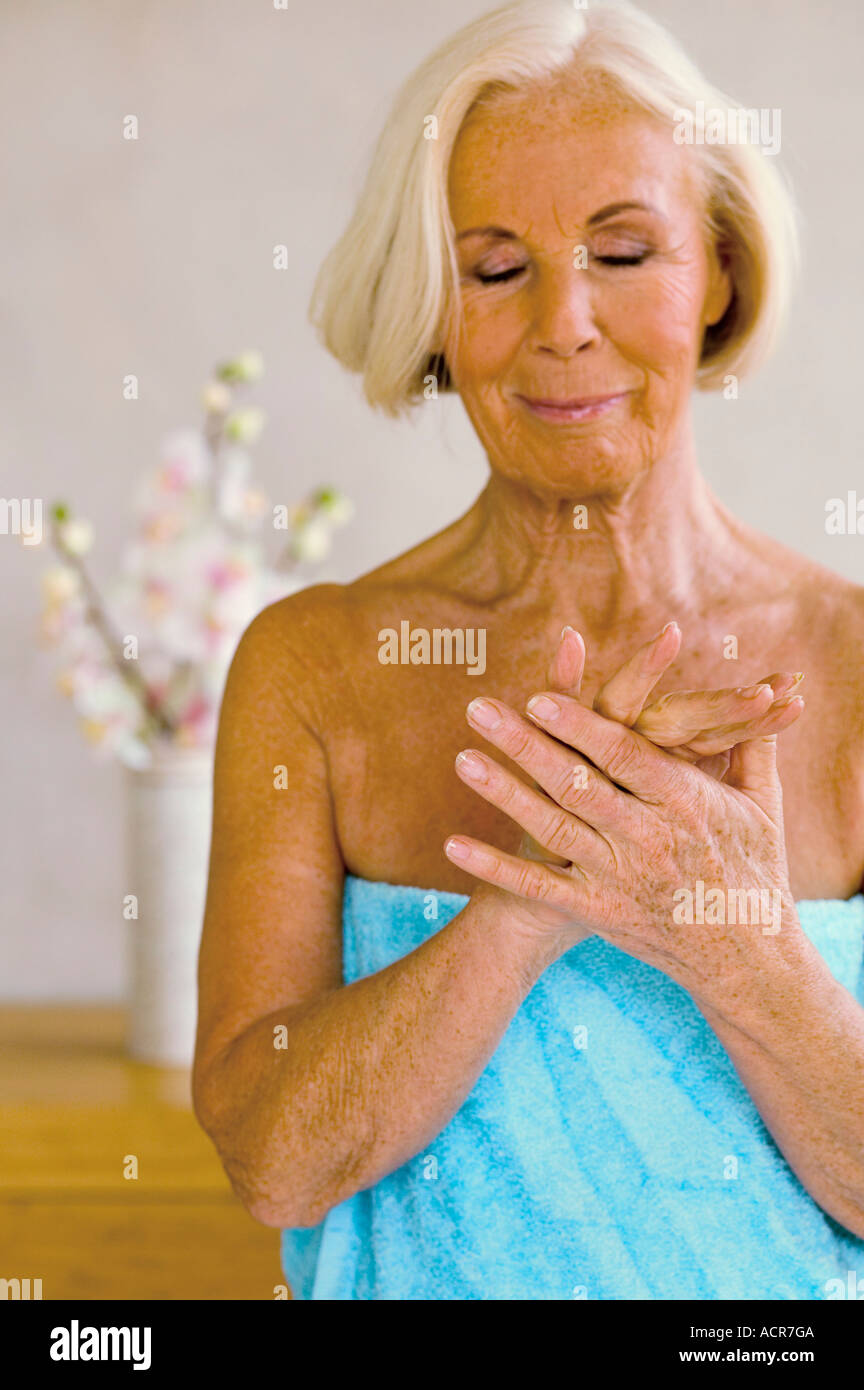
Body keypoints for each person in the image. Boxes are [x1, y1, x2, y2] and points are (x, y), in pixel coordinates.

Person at [192, 0, 864, 1299]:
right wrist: (534, 890)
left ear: (718, 270)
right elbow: (275, 1162)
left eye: (623, 251)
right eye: (497, 269)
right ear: (436, 307)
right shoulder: (310, 668)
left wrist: (740, 941)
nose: (564, 323)